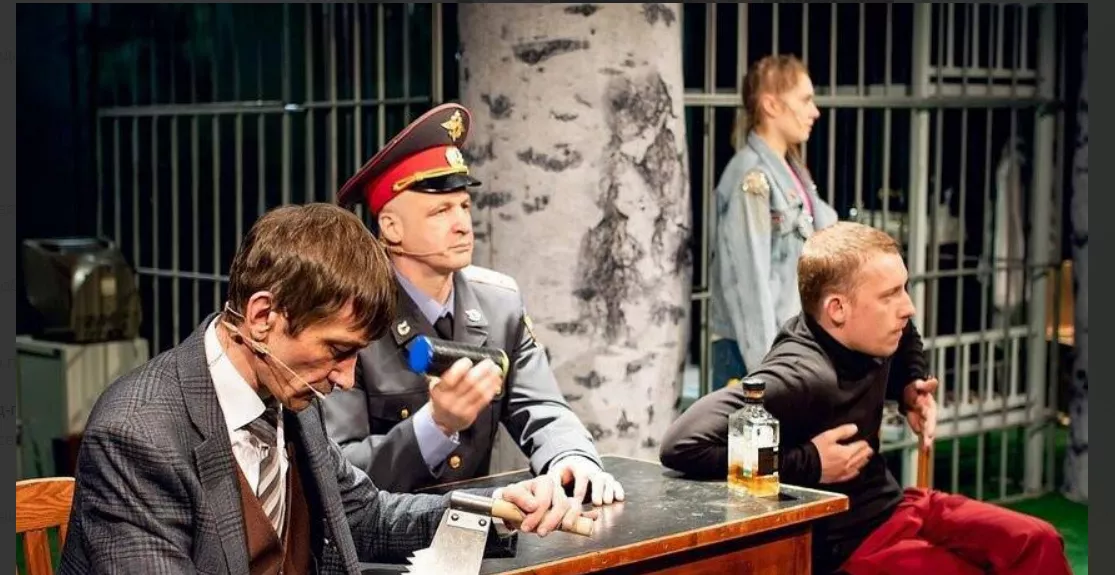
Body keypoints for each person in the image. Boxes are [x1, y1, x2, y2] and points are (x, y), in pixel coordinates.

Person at [58, 203, 594, 575]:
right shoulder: (137, 435)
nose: (345, 378)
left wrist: (495, 509)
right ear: (263, 317)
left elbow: (364, 516)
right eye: (337, 350)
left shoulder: (289, 392)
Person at [660, 222, 1070, 575]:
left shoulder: (870, 331)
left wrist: (910, 384)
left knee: (1038, 540)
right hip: (849, 544)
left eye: (904, 288)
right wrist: (810, 463)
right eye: (890, 295)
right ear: (837, 309)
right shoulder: (800, 376)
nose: (908, 307)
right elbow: (682, 444)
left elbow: (908, 335)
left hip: (896, 505)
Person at [325, 103, 624, 507]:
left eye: (464, 206)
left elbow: (542, 407)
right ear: (391, 227)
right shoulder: (352, 318)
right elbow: (339, 471)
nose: (463, 224)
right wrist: (434, 426)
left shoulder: (499, 303)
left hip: (480, 526)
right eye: (440, 211)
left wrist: (570, 456)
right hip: (382, 534)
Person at [709, 53, 839, 391]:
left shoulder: (791, 170)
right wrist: (770, 375)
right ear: (771, 105)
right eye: (805, 100)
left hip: (787, 351)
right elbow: (749, 285)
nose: (815, 111)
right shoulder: (752, 177)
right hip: (756, 356)